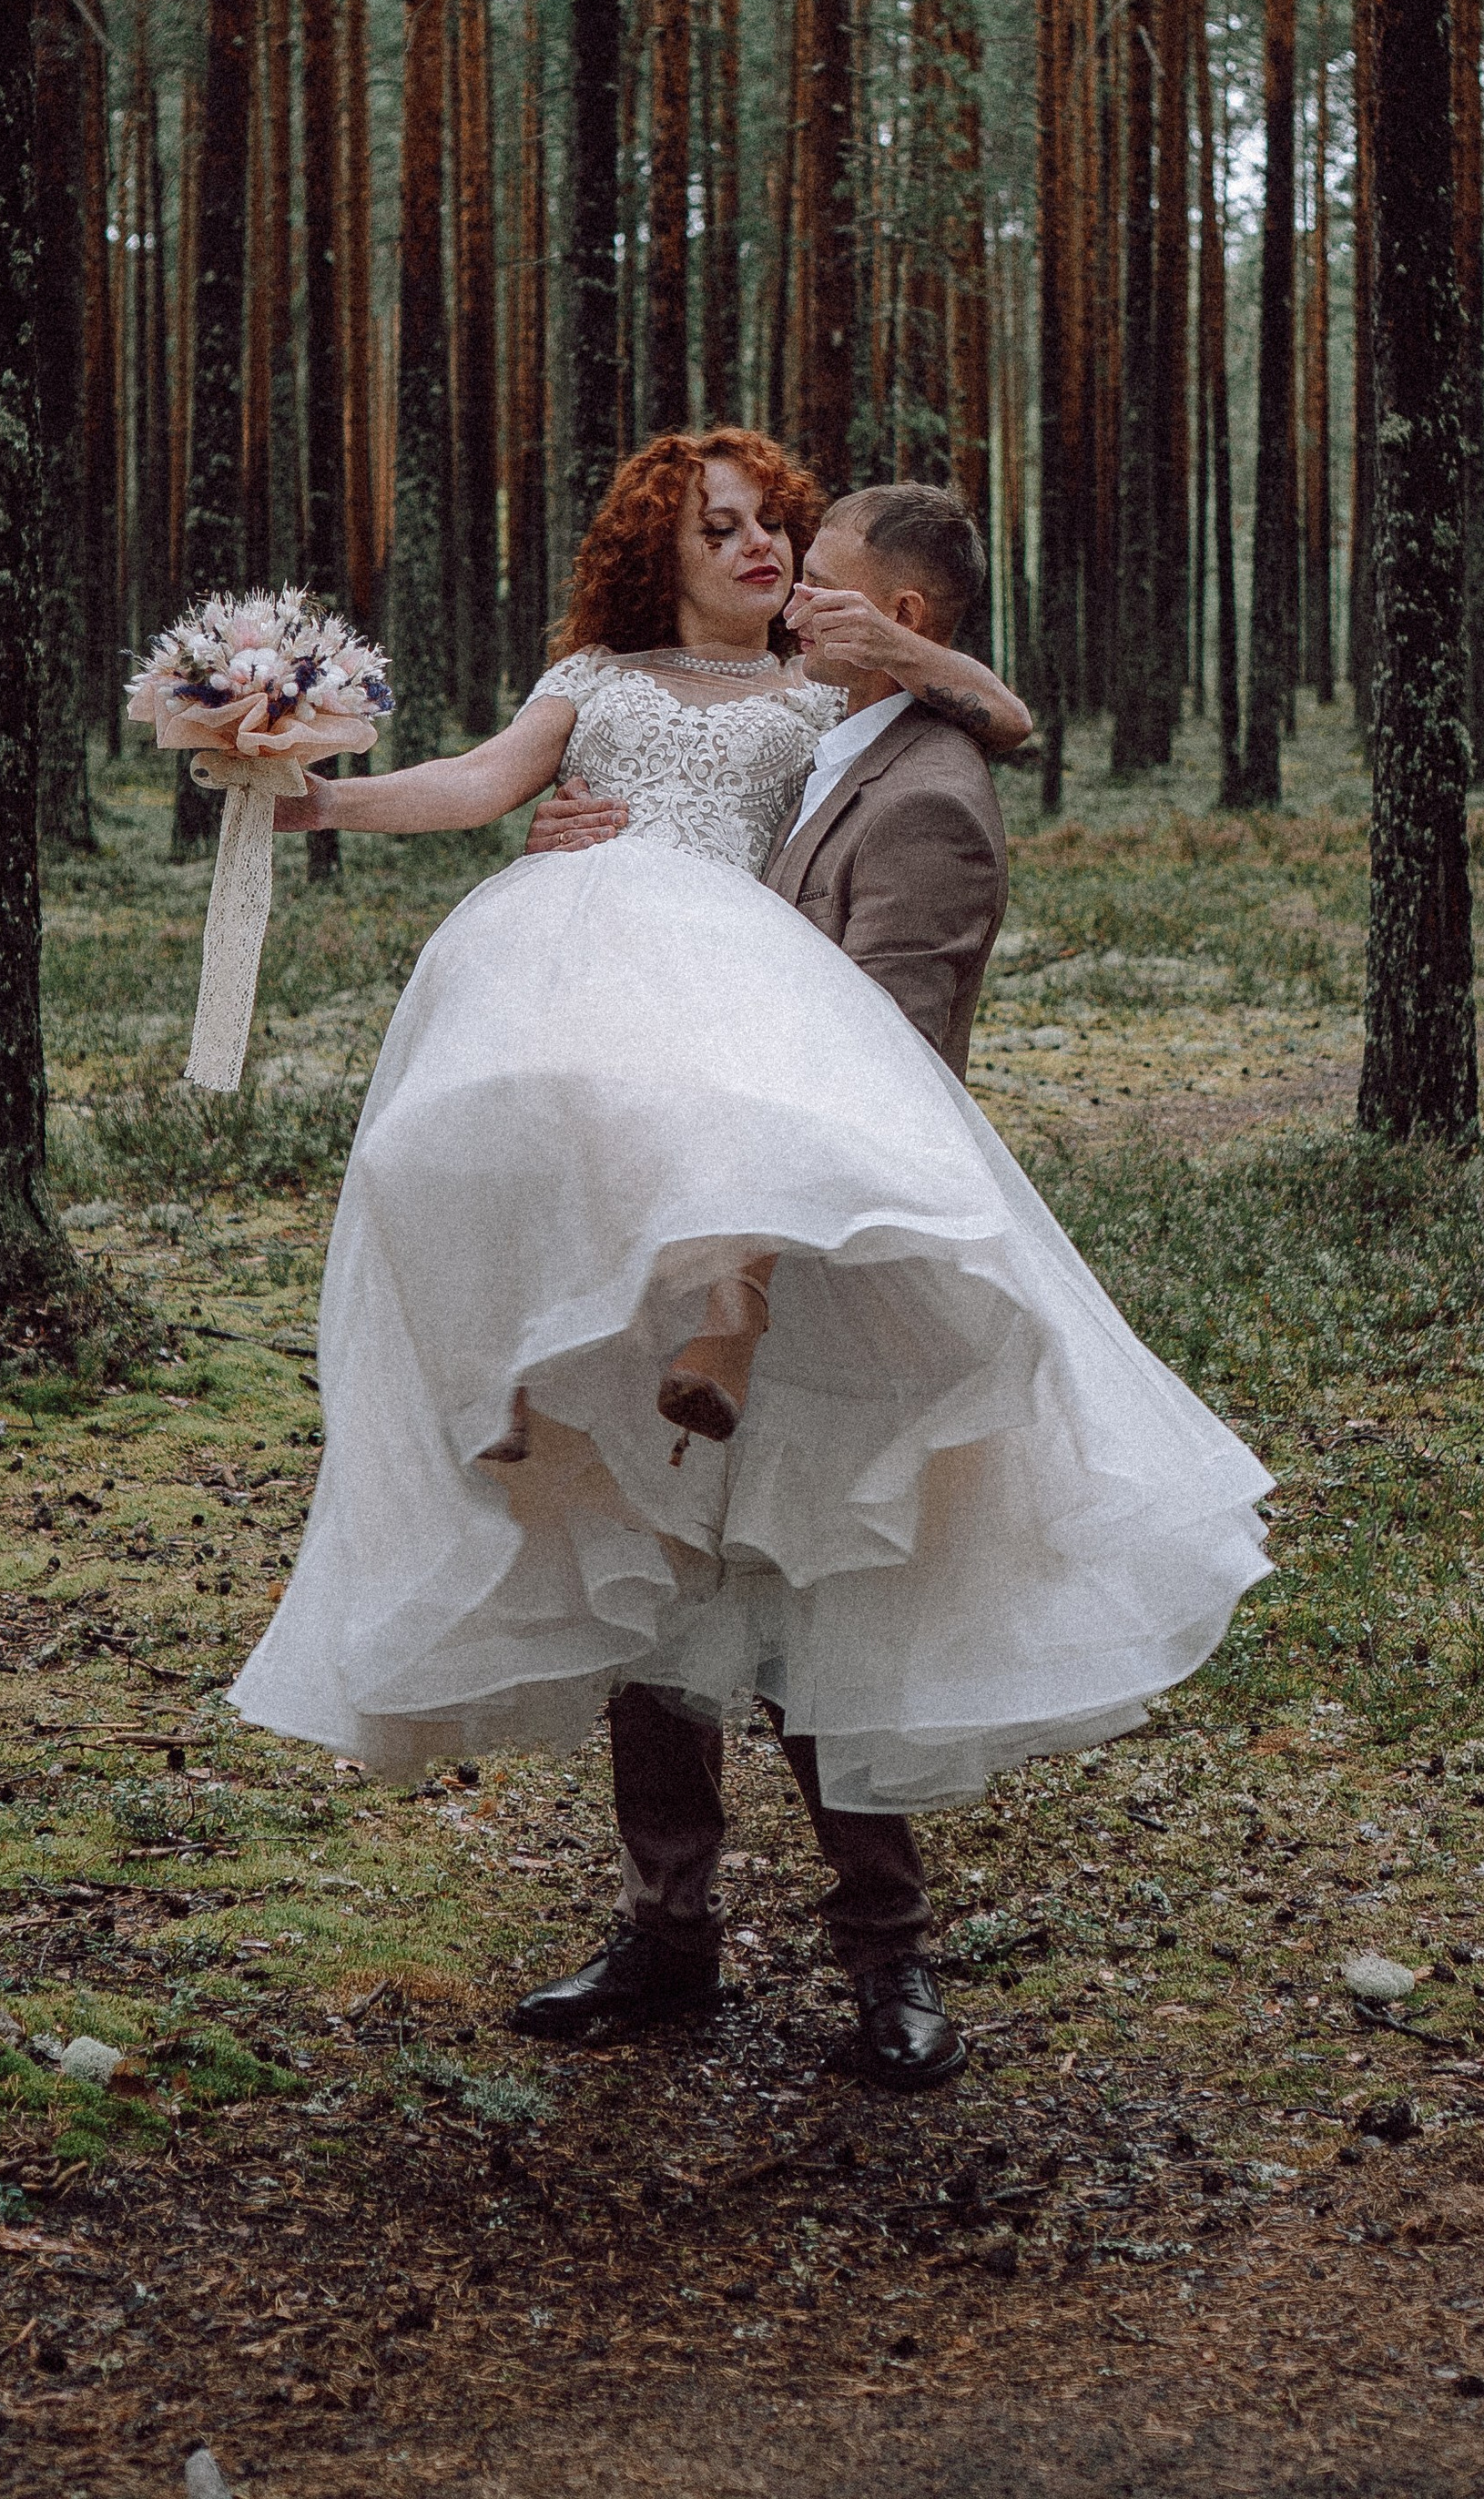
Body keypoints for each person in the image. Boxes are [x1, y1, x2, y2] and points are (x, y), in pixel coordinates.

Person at [230, 429, 1270, 2092]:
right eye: (721, 529)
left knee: (817, 1552)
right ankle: (666, 1931)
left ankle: (889, 1951)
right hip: (631, 1111)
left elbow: (992, 717)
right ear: (662, 547)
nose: (759, 548)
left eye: (778, 526)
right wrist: (319, 795)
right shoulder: (595, 677)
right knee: (642, 1533)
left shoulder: (823, 703)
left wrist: (917, 646)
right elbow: (480, 784)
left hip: (776, 1139)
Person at [511, 481, 1021, 2084]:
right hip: (691, 1214)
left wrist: (750, 1268)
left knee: (815, 1596)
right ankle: (667, 1936)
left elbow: (879, 1076)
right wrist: (576, 847)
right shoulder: (825, 746)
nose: (787, 600)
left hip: (817, 1255)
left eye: (822, 585)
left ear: (899, 624)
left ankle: (888, 1958)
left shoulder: (925, 791)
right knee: (661, 1572)